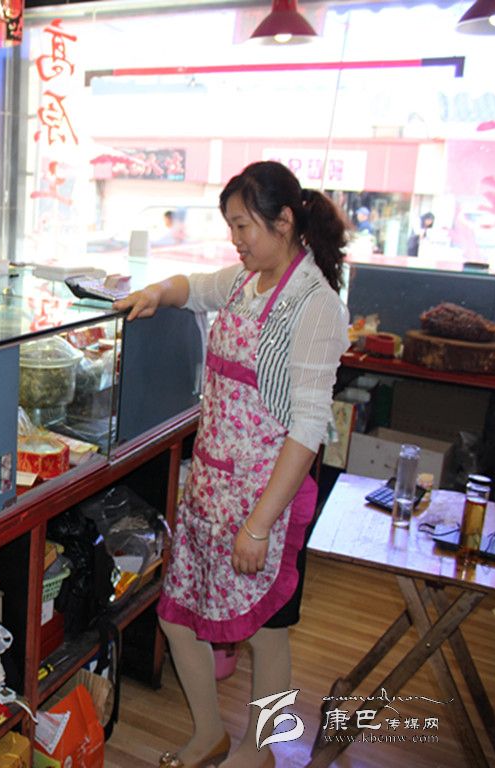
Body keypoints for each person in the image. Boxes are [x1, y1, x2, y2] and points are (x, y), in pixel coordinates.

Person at [114, 160, 349, 768]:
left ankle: (261, 749)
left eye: (244, 226)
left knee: (268, 633)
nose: (236, 239)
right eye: (231, 227)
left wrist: (259, 526)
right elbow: (195, 287)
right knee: (178, 615)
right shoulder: (247, 280)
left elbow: (308, 428)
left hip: (267, 500)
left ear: (284, 221)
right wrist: (155, 292)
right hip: (213, 488)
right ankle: (209, 734)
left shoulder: (315, 305)